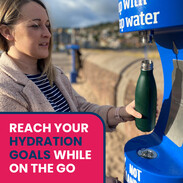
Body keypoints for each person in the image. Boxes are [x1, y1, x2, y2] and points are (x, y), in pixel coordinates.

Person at [0, 0, 142, 182]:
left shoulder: (54, 74)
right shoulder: (5, 89)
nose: (47, 34)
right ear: (7, 32)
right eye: (35, 26)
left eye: (48, 25)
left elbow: (81, 110)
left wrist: (121, 112)